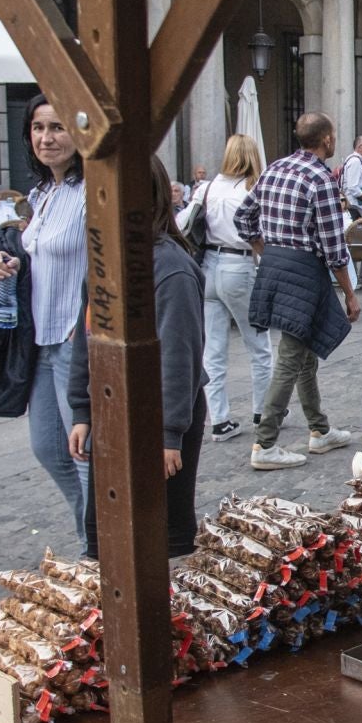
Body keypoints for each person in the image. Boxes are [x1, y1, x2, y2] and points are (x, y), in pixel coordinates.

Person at [69, 156, 207, 559]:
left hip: (160, 411)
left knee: (161, 532)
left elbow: (180, 356)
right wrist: (82, 410)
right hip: (112, 406)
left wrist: (168, 434)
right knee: (104, 529)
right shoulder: (104, 260)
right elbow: (87, 339)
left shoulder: (171, 267)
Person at [235, 111, 361, 470]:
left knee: (304, 353)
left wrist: (267, 250)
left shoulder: (274, 168)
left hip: (274, 264)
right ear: (327, 139)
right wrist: (350, 294)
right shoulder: (321, 179)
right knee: (291, 357)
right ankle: (265, 443)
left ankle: (320, 430)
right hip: (304, 270)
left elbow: (243, 217)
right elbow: (333, 246)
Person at [0, 95, 90, 538]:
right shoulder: (42, 193)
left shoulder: (92, 192)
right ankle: (94, 540)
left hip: (75, 338)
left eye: (57, 127)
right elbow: (42, 256)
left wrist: (84, 328)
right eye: (38, 128)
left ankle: (97, 554)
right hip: (40, 338)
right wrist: (9, 263)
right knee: (48, 449)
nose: (46, 138)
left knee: (84, 453)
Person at [199, 134, 274, 443]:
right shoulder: (252, 189)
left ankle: (219, 419)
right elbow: (261, 233)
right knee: (259, 345)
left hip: (208, 265)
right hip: (239, 264)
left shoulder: (207, 188)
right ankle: (262, 411)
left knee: (213, 350)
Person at [340, 134, 362, 219]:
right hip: (355, 206)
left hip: (355, 206)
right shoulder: (355, 161)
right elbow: (352, 187)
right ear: (359, 147)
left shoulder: (355, 160)